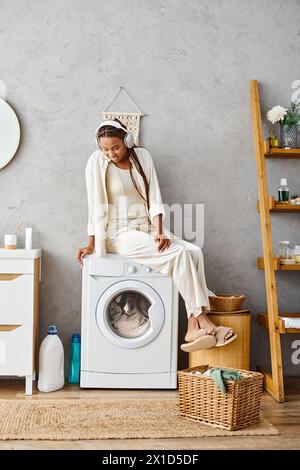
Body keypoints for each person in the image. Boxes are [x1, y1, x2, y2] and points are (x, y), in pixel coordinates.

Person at [76, 119, 237, 352]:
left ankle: (192, 325)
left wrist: (160, 231)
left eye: (115, 147)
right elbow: (94, 206)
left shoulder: (142, 157)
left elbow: (155, 198)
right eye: (105, 149)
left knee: (194, 252)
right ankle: (202, 319)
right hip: (118, 233)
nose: (110, 154)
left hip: (147, 227)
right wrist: (91, 243)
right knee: (179, 254)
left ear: (127, 141)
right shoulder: (96, 163)